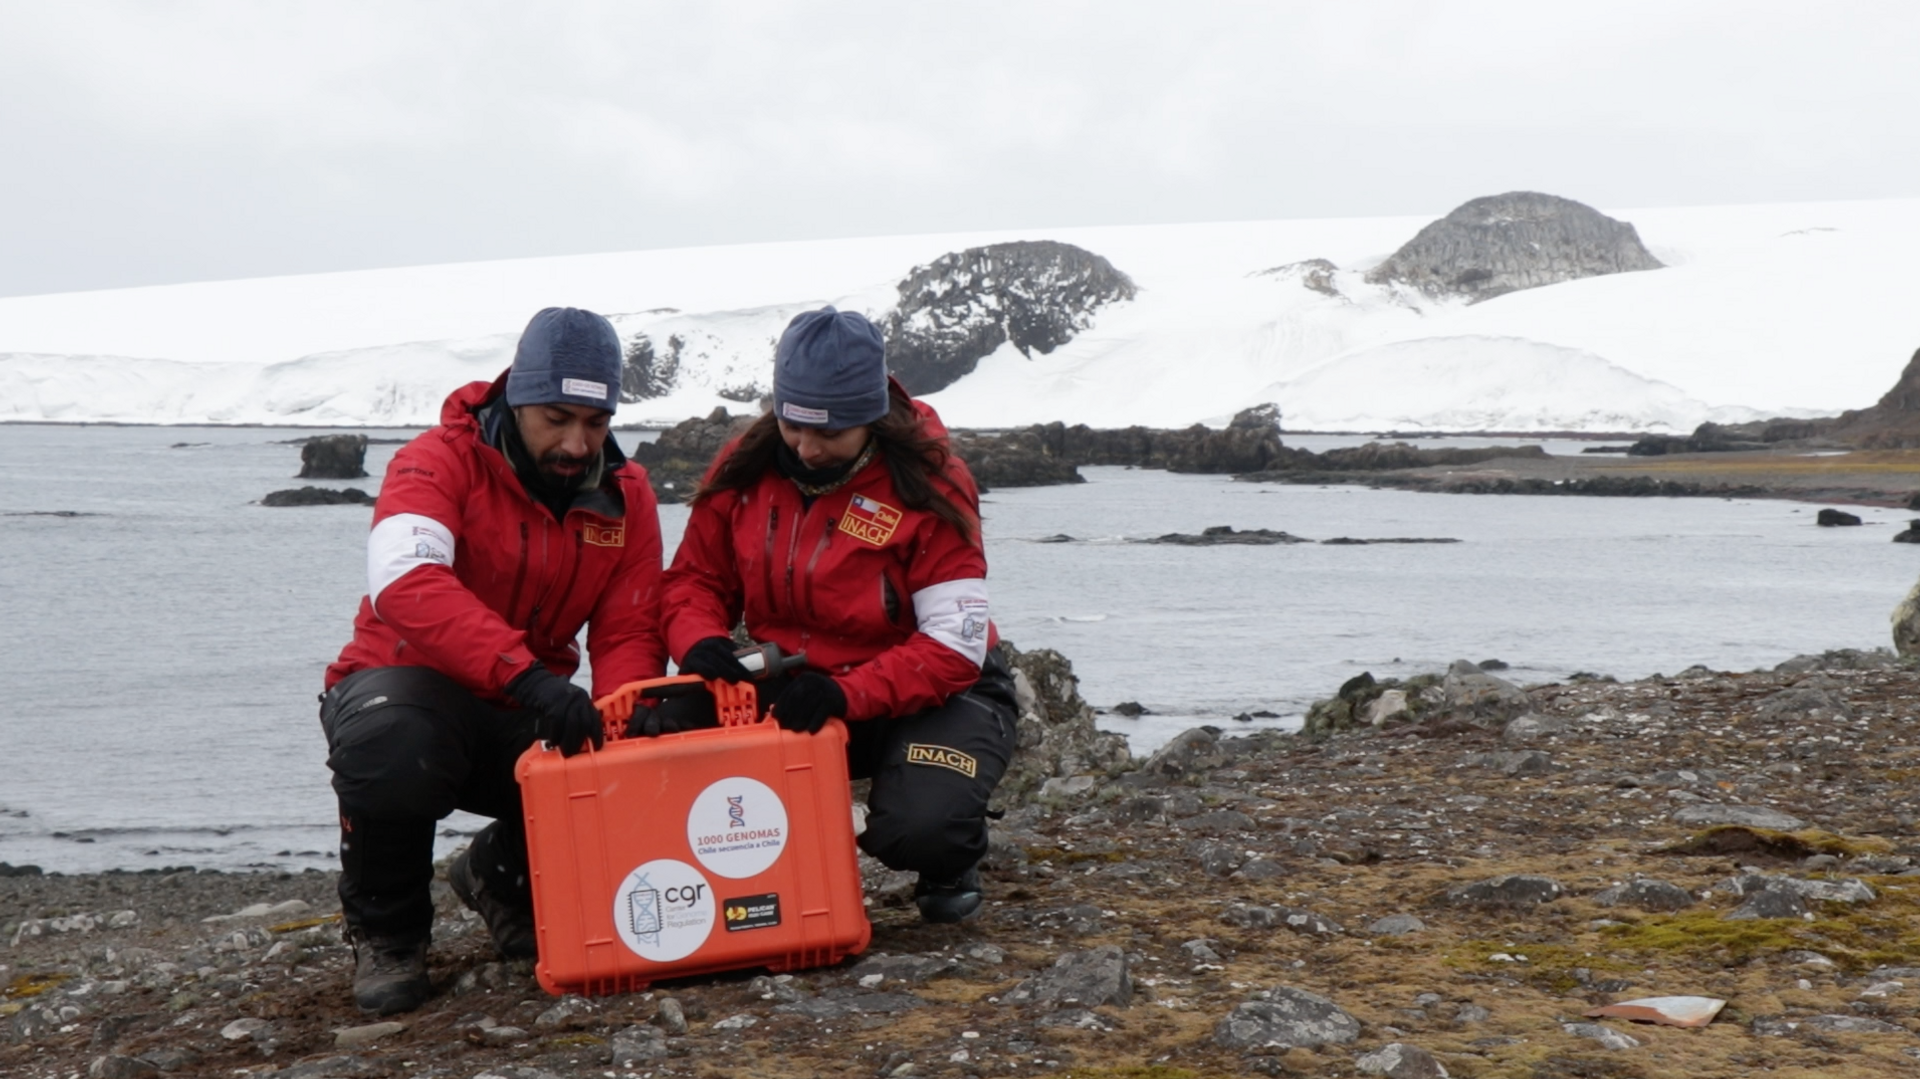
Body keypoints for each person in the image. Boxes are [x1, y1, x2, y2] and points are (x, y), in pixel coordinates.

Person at [318, 307, 667, 1015]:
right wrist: (524, 673)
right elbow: (405, 582)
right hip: (407, 693)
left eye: (595, 423)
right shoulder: (433, 461)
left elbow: (629, 627)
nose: (577, 442)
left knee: (628, 770)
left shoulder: (626, 495)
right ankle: (389, 932)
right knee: (394, 749)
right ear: (516, 398)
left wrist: (624, 722)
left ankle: (498, 877)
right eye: (556, 418)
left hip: (523, 709)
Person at [660, 306, 1017, 925]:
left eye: (831, 432)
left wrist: (846, 695)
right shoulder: (746, 464)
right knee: (658, 729)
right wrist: (698, 641)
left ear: (871, 416)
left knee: (922, 829)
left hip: (929, 694)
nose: (807, 447)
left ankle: (950, 856)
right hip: (797, 685)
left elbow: (953, 646)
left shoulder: (932, 481)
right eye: (795, 426)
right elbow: (694, 579)